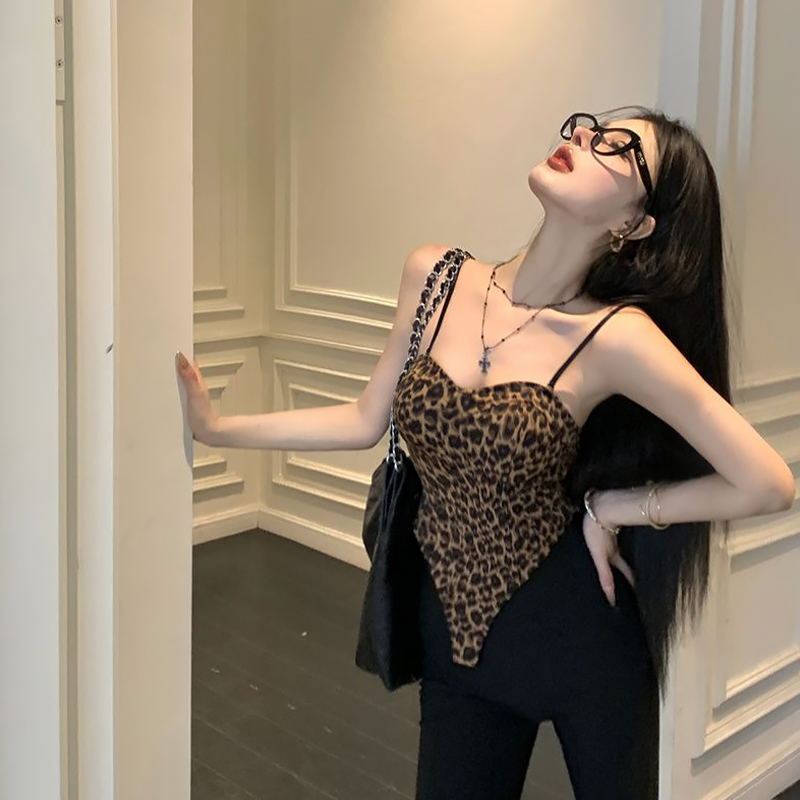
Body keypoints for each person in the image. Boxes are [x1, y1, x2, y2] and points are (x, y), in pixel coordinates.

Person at [176, 105, 794, 800]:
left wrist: (614, 508)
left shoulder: (617, 337)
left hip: (583, 642)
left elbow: (768, 482)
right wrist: (219, 428)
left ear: (634, 223)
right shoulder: (436, 276)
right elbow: (362, 419)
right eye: (588, 126)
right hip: (455, 644)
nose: (582, 137)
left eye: (617, 147)